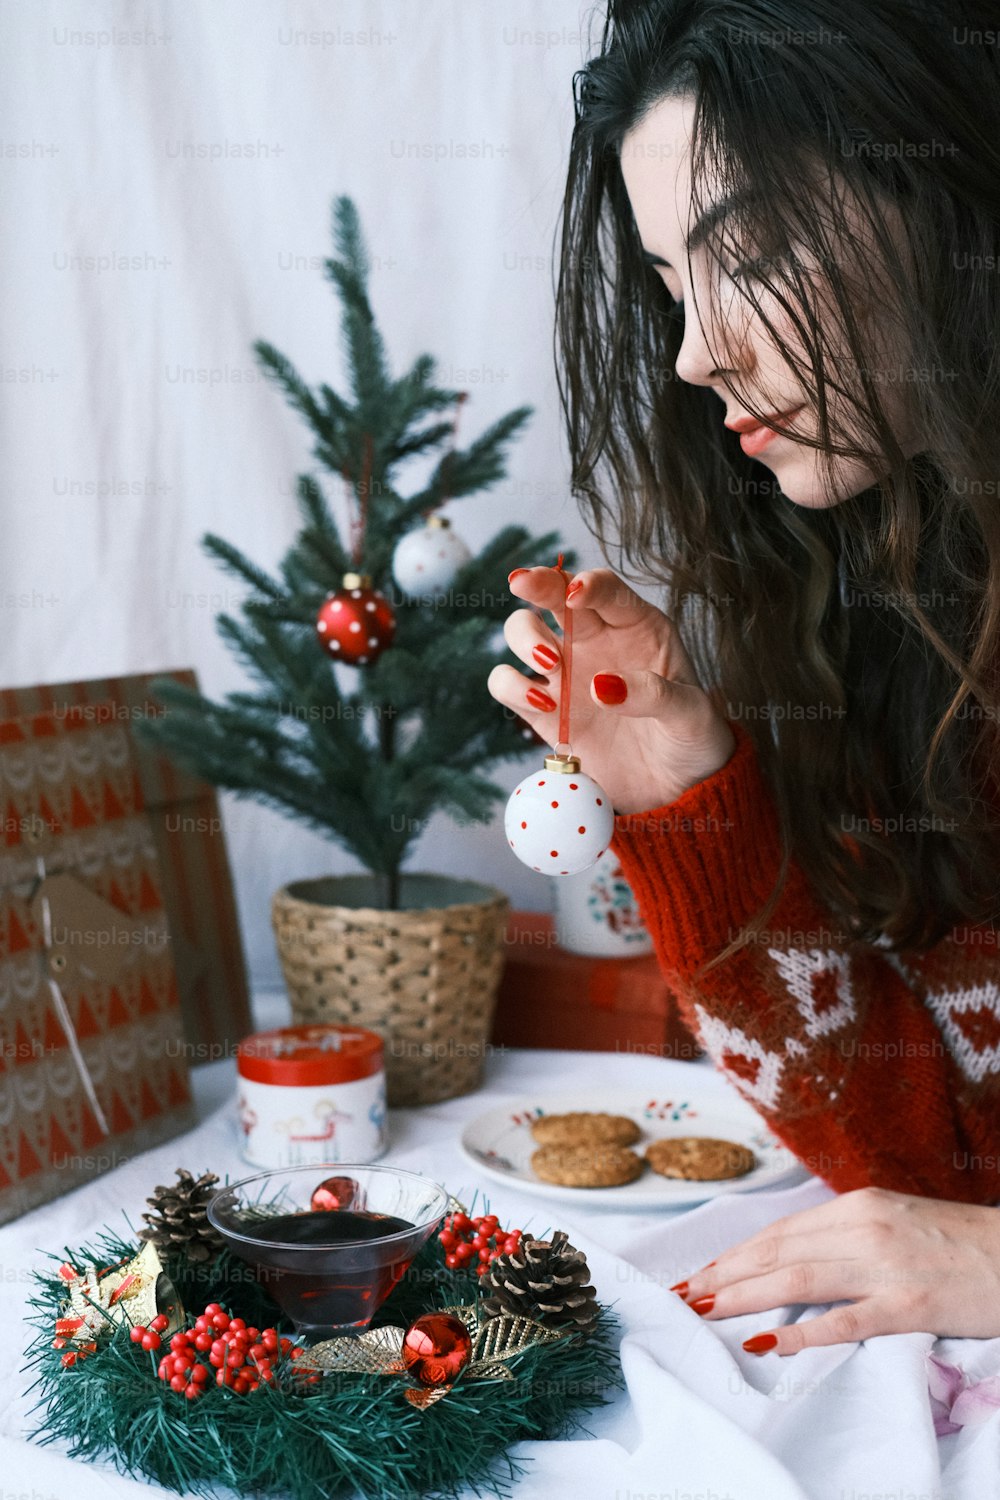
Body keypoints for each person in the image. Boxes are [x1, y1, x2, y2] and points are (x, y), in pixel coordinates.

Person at [488, 0, 1000, 1356]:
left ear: (947, 186)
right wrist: (687, 790)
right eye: (668, 287)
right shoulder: (904, 609)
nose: (693, 352)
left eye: (752, 252)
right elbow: (942, 1176)